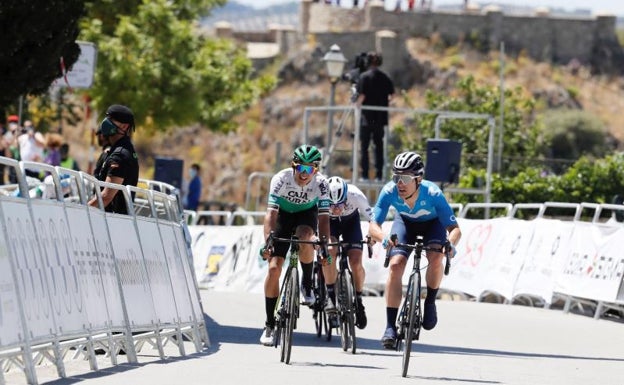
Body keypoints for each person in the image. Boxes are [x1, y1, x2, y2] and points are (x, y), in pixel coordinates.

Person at [368, 151, 461, 349]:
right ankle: (390, 326)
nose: (399, 183)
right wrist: (384, 239)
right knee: (395, 265)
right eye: (396, 177)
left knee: (436, 257)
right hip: (405, 224)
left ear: (418, 179)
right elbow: (373, 226)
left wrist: (450, 244)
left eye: (405, 178)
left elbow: (454, 229)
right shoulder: (389, 191)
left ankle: (430, 302)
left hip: (432, 225)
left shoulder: (433, 193)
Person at [258, 144, 331, 346]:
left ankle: (306, 283)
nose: (305, 174)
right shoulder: (281, 179)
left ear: (316, 170)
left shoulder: (322, 184)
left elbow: (324, 218)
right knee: (273, 270)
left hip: (306, 214)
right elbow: (270, 214)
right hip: (283, 215)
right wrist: (268, 242)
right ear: (294, 166)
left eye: (311, 169)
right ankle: (269, 324)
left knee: (306, 237)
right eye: (301, 168)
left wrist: (324, 245)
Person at [323, 176, 374, 330]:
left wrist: (372, 236)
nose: (336, 209)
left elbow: (373, 219)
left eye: (340, 204)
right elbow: (314, 219)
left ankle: (358, 299)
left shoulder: (356, 195)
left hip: (350, 223)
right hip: (329, 223)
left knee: (356, 262)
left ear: (346, 197)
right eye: (332, 205)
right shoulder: (320, 195)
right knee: (330, 250)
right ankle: (330, 293)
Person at [88, 104, 139, 215]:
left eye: (111, 120)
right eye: (107, 118)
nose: (106, 122)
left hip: (113, 220)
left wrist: (83, 211)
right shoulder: (118, 149)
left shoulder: (120, 155)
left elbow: (106, 196)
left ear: (124, 127)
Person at [356, 51, 395, 182]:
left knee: (364, 147)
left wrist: (356, 106)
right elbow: (391, 96)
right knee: (379, 147)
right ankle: (379, 175)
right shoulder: (385, 77)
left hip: (367, 118)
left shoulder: (364, 77)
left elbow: (362, 96)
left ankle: (365, 175)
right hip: (380, 118)